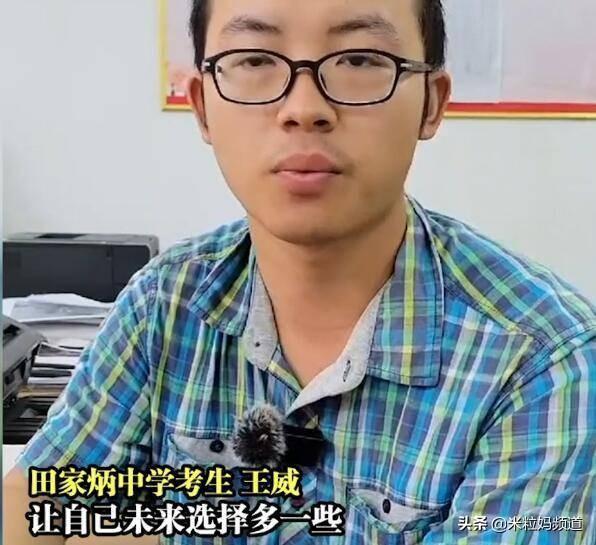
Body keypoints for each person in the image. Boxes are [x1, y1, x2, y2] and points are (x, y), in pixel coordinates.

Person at [4, 1, 595, 543]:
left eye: (360, 59)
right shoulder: (164, 302)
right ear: (203, 107)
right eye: (255, 59)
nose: (304, 109)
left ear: (431, 103)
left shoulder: (546, 361)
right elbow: (35, 503)